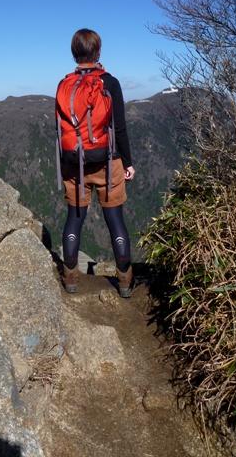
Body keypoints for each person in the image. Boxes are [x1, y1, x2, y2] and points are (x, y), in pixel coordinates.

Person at [55, 28, 135, 297]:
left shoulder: (64, 85)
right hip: (107, 163)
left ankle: (70, 279)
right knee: (115, 220)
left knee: (74, 219)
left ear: (74, 53)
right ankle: (125, 283)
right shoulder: (110, 83)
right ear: (98, 52)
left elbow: (61, 129)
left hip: (73, 163)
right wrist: (128, 162)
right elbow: (119, 127)